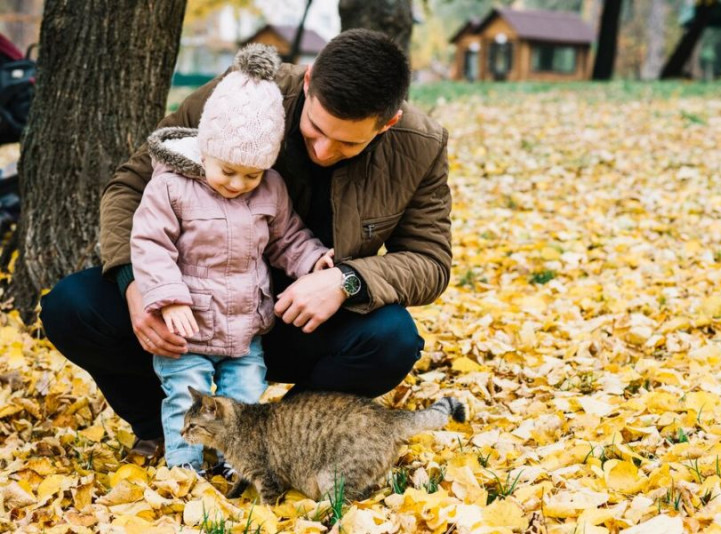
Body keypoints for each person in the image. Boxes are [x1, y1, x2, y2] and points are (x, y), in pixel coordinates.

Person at [40, 29, 452, 459]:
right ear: (309, 82)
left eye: (348, 143)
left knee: (392, 340)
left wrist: (345, 281)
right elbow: (130, 186)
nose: (324, 151)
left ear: (388, 123)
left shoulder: (421, 146)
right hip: (189, 308)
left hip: (295, 322)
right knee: (71, 306)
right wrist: (136, 284)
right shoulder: (238, 97)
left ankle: (274, 439)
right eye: (315, 129)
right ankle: (160, 428)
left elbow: (431, 260)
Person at [132, 44, 332, 472]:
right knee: (185, 393)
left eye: (251, 174)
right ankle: (184, 471)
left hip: (245, 328)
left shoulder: (270, 189)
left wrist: (313, 261)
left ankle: (235, 464)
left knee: (243, 399)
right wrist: (169, 297)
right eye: (227, 171)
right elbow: (151, 245)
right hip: (186, 328)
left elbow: (286, 238)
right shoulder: (171, 187)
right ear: (205, 149)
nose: (238, 183)